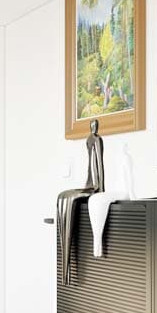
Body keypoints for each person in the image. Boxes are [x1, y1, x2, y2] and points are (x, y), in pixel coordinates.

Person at [56, 120, 105, 285]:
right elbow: (88, 166)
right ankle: (65, 272)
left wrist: (100, 188)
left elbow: (99, 165)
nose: (93, 128)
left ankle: (67, 271)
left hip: (95, 184)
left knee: (67, 196)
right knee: (63, 197)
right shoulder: (88, 140)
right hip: (88, 182)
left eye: (94, 126)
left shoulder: (98, 140)